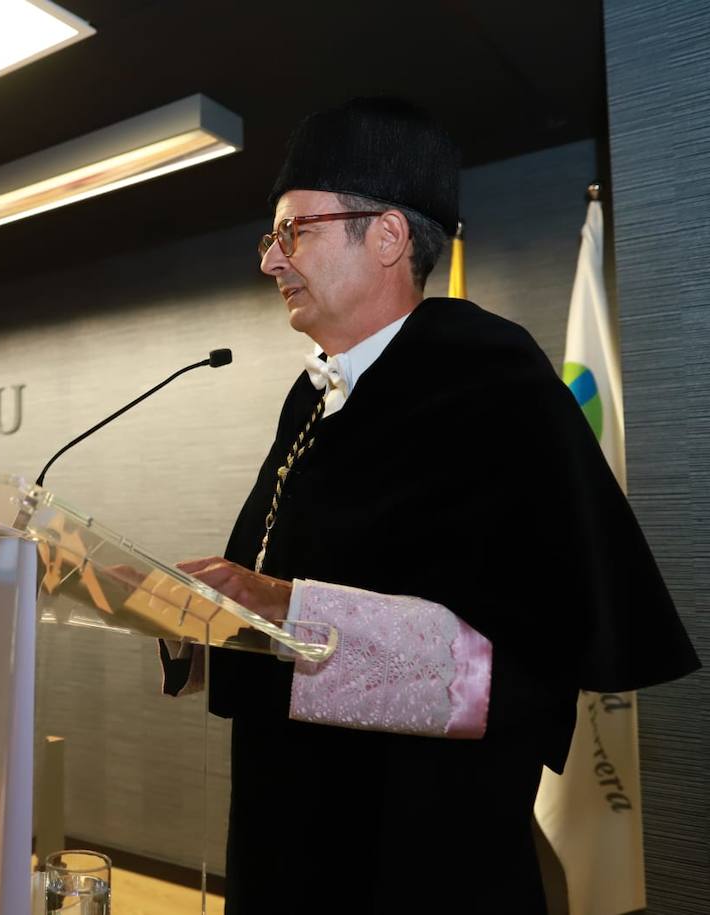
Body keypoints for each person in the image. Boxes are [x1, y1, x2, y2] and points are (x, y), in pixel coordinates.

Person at [164, 98, 700, 913]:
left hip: (415, 854)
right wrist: (202, 612)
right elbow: (271, 576)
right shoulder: (310, 399)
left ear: (386, 236)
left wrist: (284, 606)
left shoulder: (492, 383)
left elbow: (511, 663)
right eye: (270, 237)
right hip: (288, 826)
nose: (271, 260)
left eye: (294, 231)